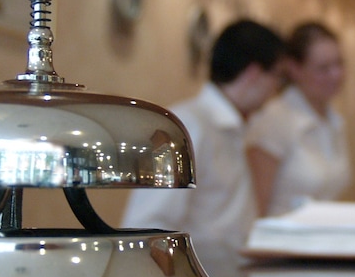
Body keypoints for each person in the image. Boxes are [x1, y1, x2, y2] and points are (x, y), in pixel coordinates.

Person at [121, 19, 285, 255]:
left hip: (227, 271)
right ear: (253, 73)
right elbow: (148, 226)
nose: (275, 90)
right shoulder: (187, 125)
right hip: (196, 273)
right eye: (277, 77)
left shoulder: (237, 128)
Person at [246, 21, 351, 216]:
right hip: (281, 233)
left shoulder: (334, 122)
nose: (336, 75)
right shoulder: (274, 121)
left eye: (339, 64)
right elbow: (256, 207)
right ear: (294, 69)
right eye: (324, 68)